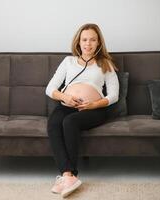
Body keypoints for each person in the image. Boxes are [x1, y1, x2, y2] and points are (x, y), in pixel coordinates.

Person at [46, 23, 119, 198]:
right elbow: (50, 89)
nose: (88, 43)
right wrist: (65, 97)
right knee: (54, 123)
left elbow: (114, 95)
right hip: (67, 105)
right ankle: (67, 175)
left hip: (94, 110)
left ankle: (71, 175)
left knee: (70, 122)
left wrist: (93, 105)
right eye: (84, 39)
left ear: (98, 42)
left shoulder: (105, 63)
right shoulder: (68, 61)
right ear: (78, 42)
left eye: (93, 40)